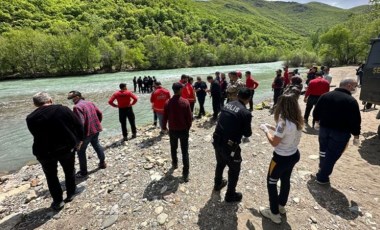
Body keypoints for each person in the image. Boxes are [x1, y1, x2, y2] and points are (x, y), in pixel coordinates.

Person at [26, 92, 84, 210]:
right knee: (69, 171)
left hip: (43, 151)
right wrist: (80, 140)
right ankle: (71, 193)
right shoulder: (63, 109)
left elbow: (35, 134)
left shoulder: (30, 118)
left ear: (35, 104)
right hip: (66, 148)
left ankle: (58, 201)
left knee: (51, 176)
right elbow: (78, 125)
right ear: (50, 100)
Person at [258, 93, 303, 224]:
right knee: (285, 180)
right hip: (294, 155)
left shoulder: (283, 122)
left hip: (281, 158)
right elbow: (287, 133)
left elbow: (274, 142)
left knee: (271, 183)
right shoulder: (298, 119)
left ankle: (274, 213)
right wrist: (273, 127)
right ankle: (281, 206)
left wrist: (266, 130)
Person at [313, 78, 361, 184]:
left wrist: (316, 122)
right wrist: (356, 135)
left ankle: (322, 167)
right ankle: (322, 177)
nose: (355, 88)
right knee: (332, 155)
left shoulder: (325, 95)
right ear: (349, 85)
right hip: (340, 133)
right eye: (355, 86)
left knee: (323, 150)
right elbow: (355, 120)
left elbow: (316, 111)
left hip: (324, 129)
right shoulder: (351, 101)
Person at [212, 88, 252, 202]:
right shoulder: (245, 112)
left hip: (217, 140)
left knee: (220, 163)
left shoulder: (228, 104)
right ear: (248, 99)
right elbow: (247, 133)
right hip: (230, 146)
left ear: (238, 95)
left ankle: (218, 183)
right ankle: (230, 195)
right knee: (234, 169)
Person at [67, 91, 106, 178]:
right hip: (95, 129)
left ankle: (83, 172)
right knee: (96, 145)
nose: (72, 100)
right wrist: (97, 124)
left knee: (80, 151)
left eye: (72, 98)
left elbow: (80, 123)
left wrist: (79, 137)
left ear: (77, 97)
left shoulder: (77, 107)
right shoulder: (90, 103)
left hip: (86, 133)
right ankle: (102, 163)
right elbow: (100, 113)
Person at [163, 83, 192, 182]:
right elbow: (189, 118)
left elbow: (165, 117)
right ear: (179, 90)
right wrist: (188, 128)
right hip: (183, 130)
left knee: (173, 148)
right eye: (182, 89)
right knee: (185, 152)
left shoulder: (168, 102)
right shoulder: (185, 102)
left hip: (173, 130)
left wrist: (164, 127)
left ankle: (175, 163)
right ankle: (185, 173)